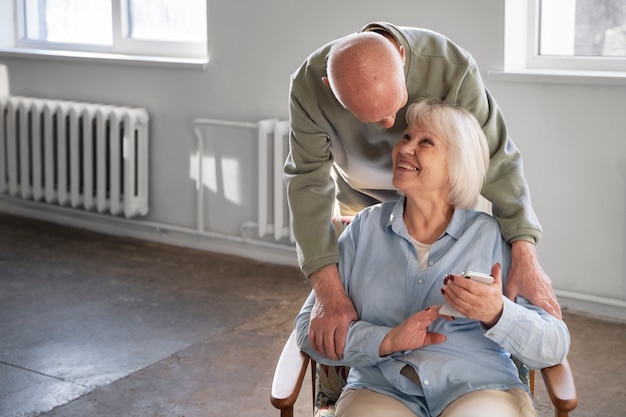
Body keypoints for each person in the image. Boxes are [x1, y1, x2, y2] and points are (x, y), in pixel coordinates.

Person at [284, 22, 561, 360]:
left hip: (443, 203)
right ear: (330, 87)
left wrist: (524, 255)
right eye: (370, 116)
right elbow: (308, 182)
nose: (389, 127)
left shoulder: (451, 67)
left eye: (395, 107)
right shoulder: (309, 85)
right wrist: (330, 295)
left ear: (402, 58)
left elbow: (495, 160)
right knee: (375, 307)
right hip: (360, 206)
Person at [294, 99, 570, 417]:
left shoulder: (493, 236)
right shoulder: (363, 230)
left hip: (479, 387)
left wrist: (497, 313)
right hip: (380, 388)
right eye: (407, 137)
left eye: (426, 142)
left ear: (457, 164)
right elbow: (308, 331)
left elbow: (554, 344)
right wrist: (386, 340)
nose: (405, 148)